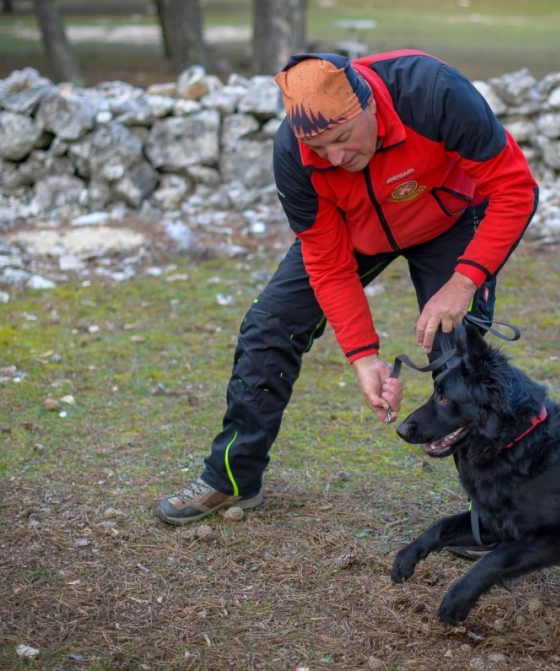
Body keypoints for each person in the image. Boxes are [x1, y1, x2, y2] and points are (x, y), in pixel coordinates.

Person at [154, 49, 539, 525]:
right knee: (269, 326)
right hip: (356, 232)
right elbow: (326, 261)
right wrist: (363, 355)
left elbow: (515, 187)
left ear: (370, 105)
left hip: (449, 218)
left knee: (458, 349)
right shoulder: (294, 153)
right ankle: (231, 479)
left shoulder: (432, 93)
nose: (335, 158)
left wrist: (464, 283)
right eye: (320, 150)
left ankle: (492, 508)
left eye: (341, 138)